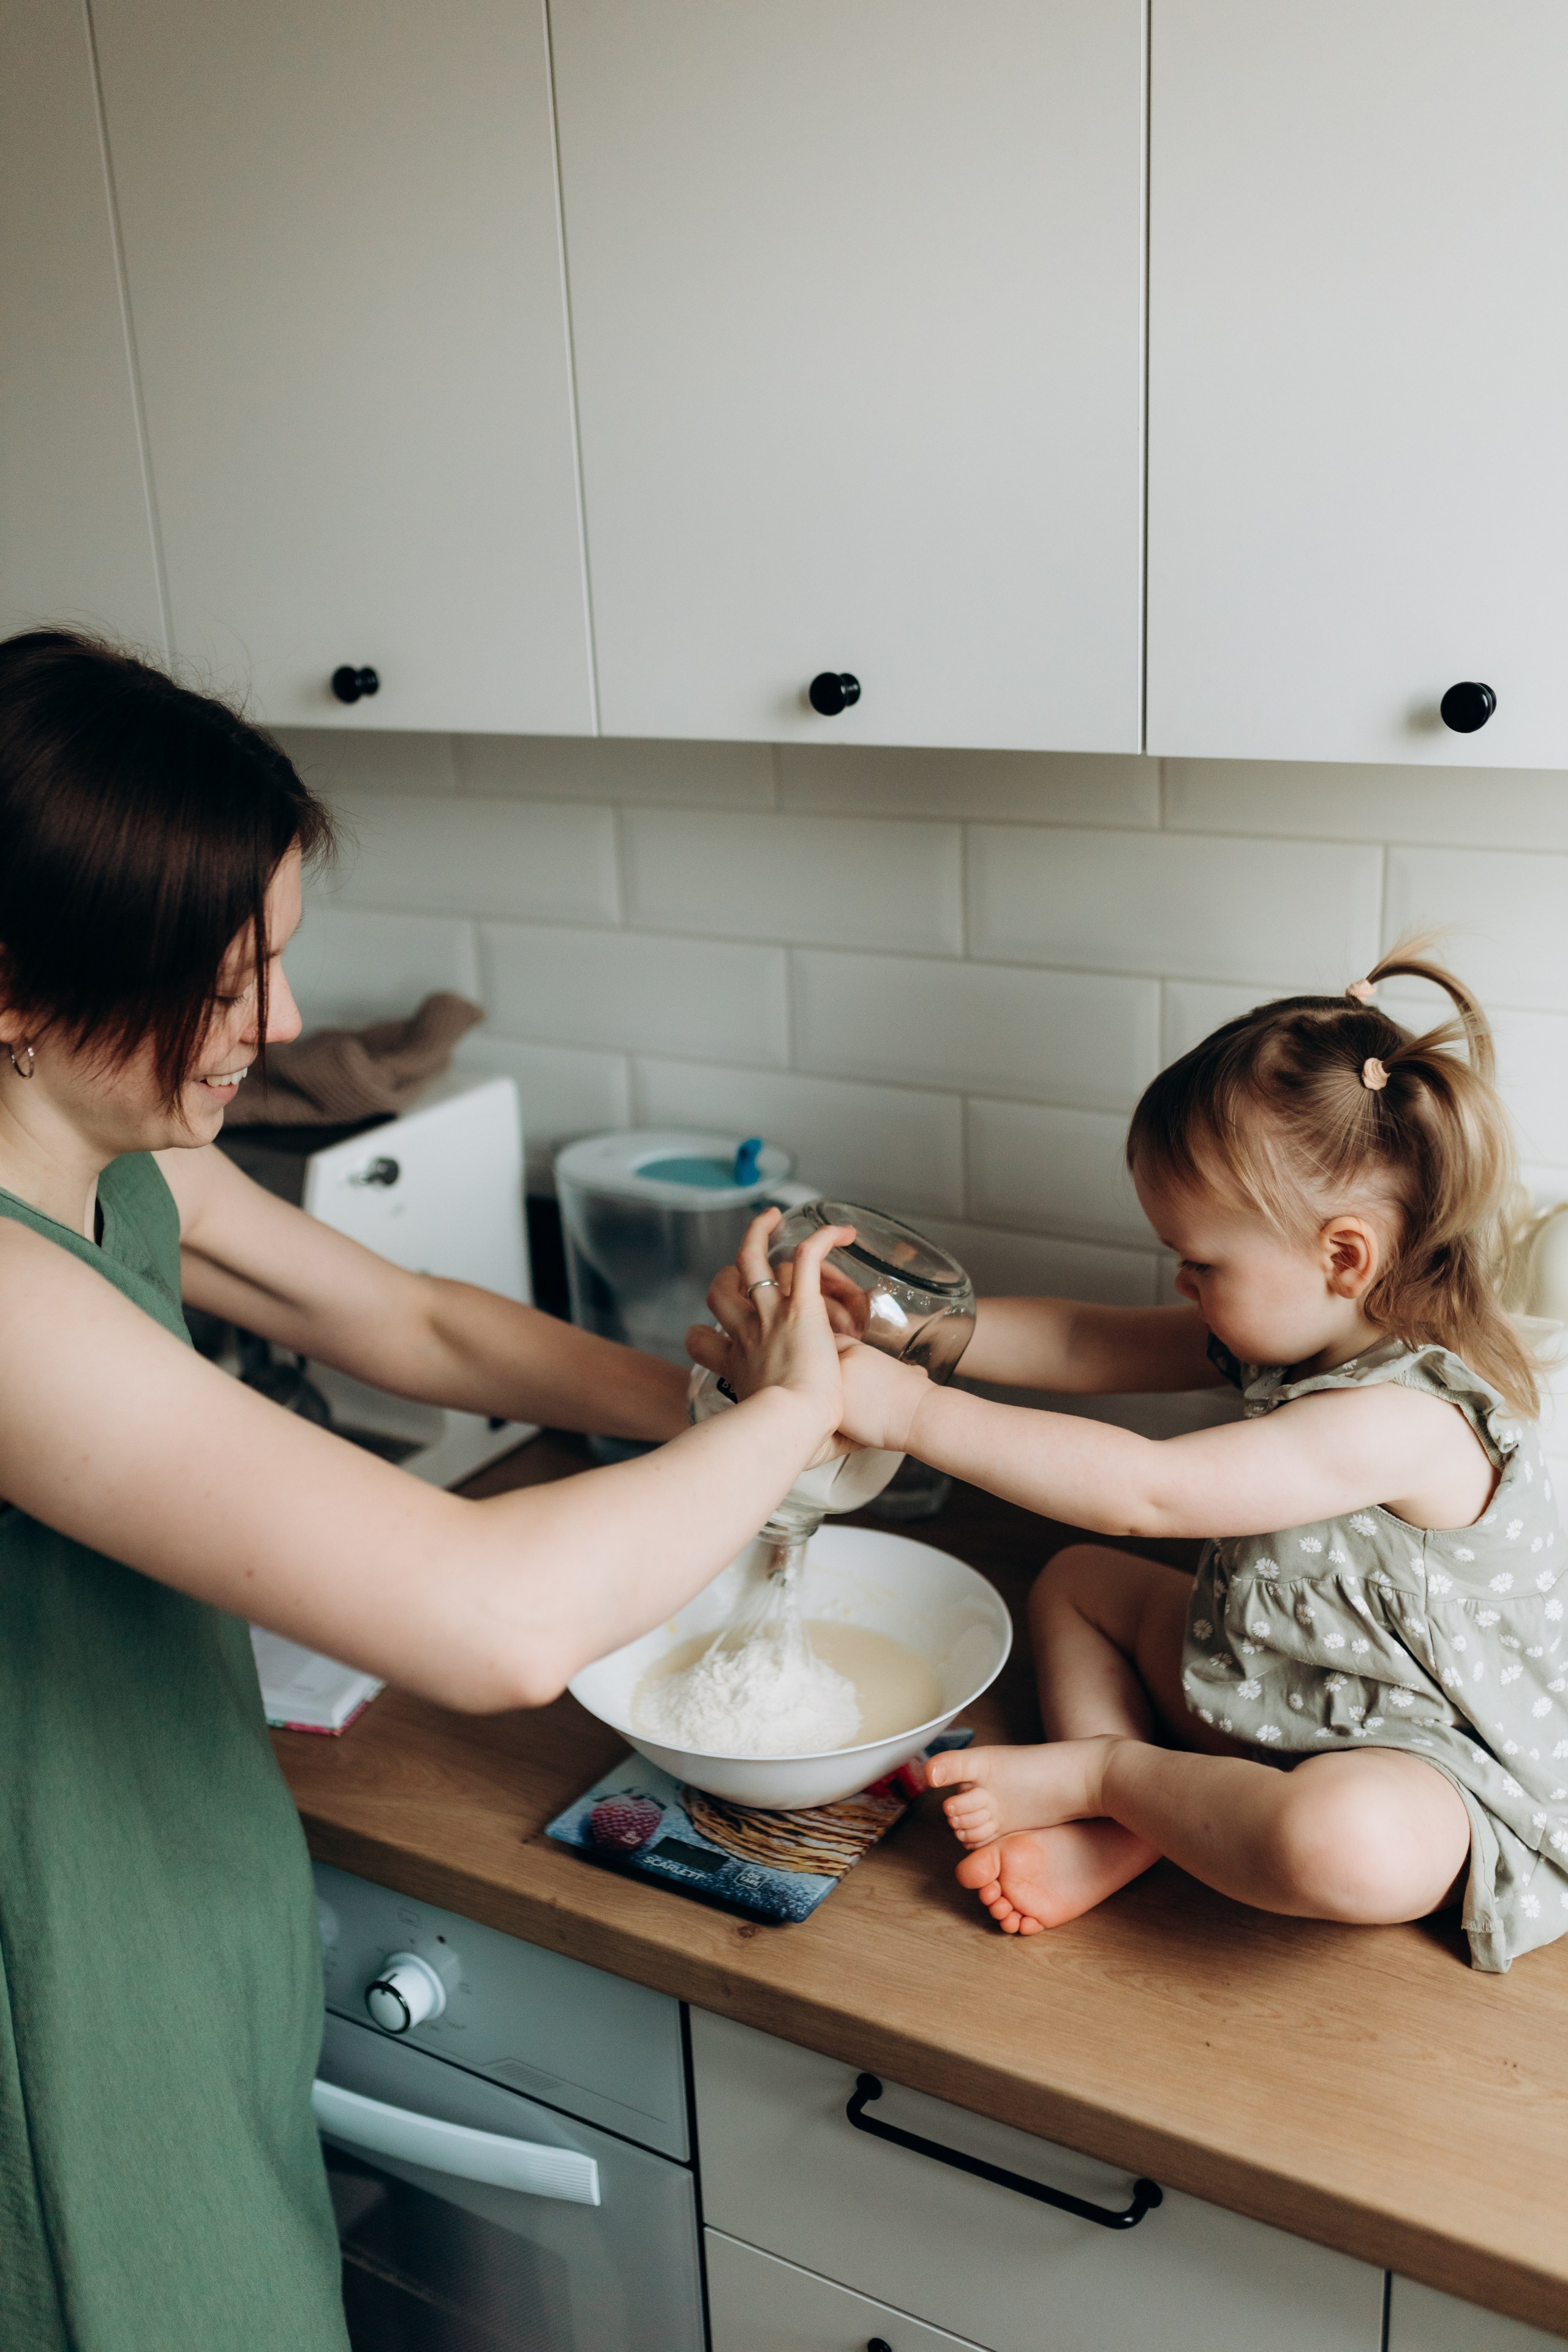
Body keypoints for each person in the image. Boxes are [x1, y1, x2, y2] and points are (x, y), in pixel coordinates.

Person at [0, 630, 850, 2351]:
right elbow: (493, 1620)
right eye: (224, 981)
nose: (286, 1026)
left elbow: (405, 1317)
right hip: (52, 1976)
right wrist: (780, 1433)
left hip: (179, 1877)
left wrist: (718, 1391)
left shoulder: (110, 1152)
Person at [705, 948, 1568, 1970]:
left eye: (1202, 1263)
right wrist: (909, 1337)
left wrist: (911, 1413)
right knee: (1074, 1586)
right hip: (1275, 1684)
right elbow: (1082, 1344)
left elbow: (1149, 1492)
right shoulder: (1301, 1330)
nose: (1181, 1280)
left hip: (1430, 1760)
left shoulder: (1404, 1417)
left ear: (1344, 1257)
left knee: (1343, 1843)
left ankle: (1111, 1784)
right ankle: (1141, 1832)